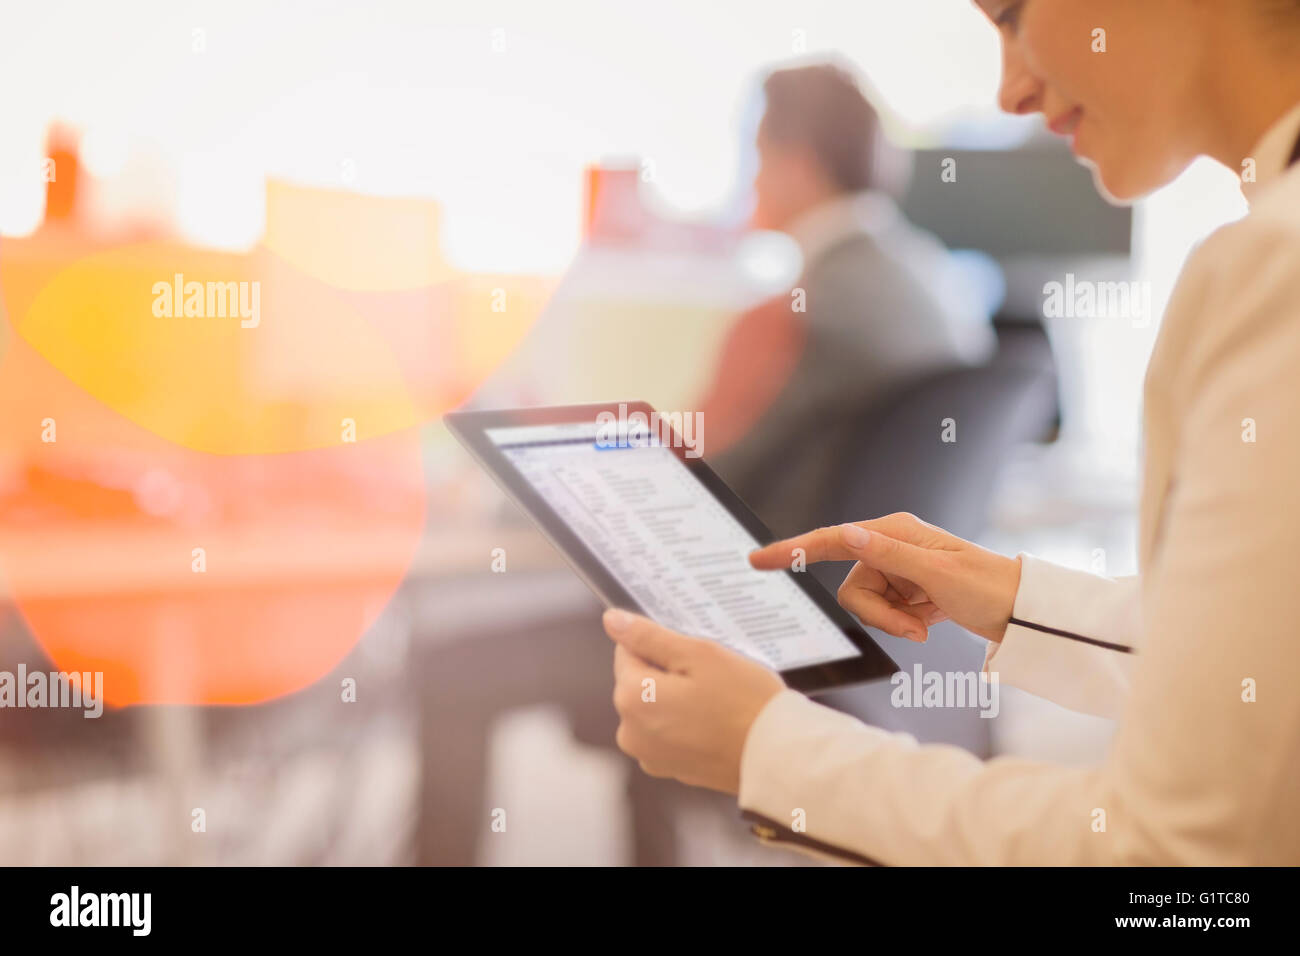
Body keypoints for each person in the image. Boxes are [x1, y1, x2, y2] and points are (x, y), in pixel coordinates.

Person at [602, 0, 1300, 864]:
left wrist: (769, 751)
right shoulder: (927, 275)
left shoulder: (1275, 269)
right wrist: (1010, 595)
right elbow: (1261, 667)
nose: (1008, 90)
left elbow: (1177, 863)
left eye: (1011, 15)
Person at [697, 62, 994, 538]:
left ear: (796, 163)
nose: (750, 183)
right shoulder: (937, 277)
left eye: (758, 156)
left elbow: (707, 485)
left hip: (786, 579)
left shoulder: (794, 313)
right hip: (898, 592)